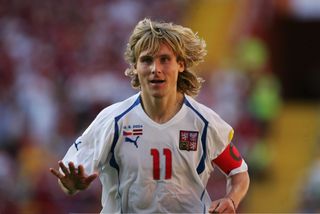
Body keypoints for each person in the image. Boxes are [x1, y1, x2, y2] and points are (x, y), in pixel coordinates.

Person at [50, 18, 250, 213]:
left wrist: (231, 199)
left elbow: (239, 172)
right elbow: (70, 178)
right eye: (147, 60)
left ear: (180, 64)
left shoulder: (204, 123)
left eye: (164, 59)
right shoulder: (112, 121)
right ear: (135, 67)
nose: (156, 69)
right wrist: (71, 186)